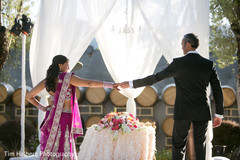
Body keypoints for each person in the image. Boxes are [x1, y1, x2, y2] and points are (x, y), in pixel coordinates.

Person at [114, 33, 224, 160]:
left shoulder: (178, 63)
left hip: (183, 110)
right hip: (202, 110)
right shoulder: (208, 64)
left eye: (182, 44)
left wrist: (130, 84)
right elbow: (217, 89)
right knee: (200, 146)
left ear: (188, 44)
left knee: (178, 145)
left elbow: (155, 78)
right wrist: (219, 114)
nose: (182, 48)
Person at [26, 55, 113, 160]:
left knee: (53, 145)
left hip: (51, 115)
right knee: (64, 144)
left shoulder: (47, 80)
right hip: (64, 116)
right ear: (60, 65)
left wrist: (43, 108)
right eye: (67, 65)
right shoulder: (67, 78)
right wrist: (111, 85)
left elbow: (29, 96)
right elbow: (89, 83)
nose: (68, 68)